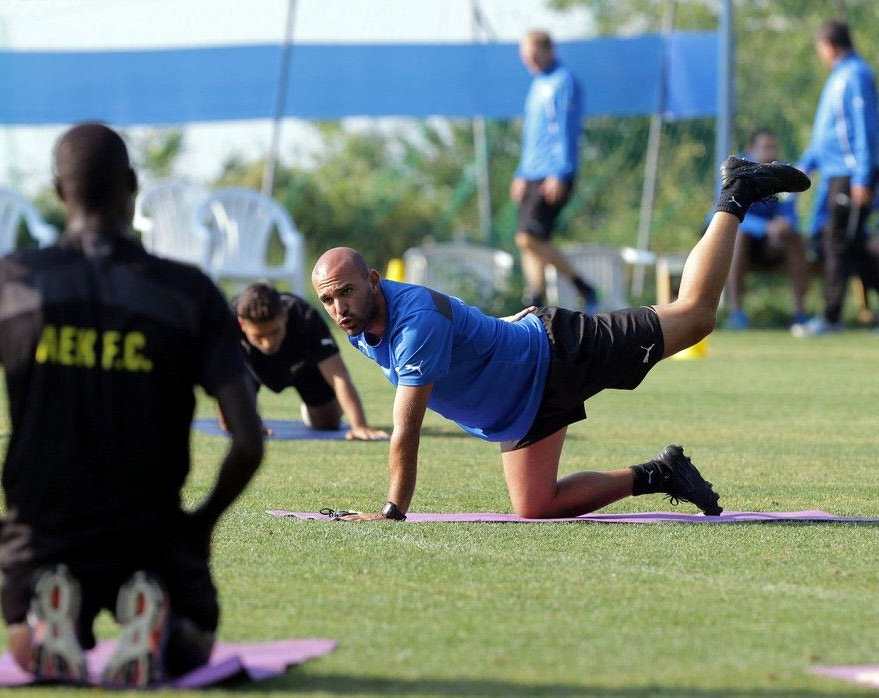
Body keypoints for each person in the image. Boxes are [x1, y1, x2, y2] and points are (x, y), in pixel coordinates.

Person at [0, 123, 264, 686]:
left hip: (42, 535)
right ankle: (159, 621)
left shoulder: (8, 281)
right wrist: (200, 525)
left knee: (27, 640)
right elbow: (247, 442)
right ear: (132, 184)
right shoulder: (188, 291)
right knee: (196, 644)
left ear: (60, 191)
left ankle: (47, 620)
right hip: (152, 532)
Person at [310, 157, 809, 521]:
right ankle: (661, 474)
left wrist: (392, 510)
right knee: (536, 506)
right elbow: (460, 325)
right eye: (328, 300)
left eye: (346, 292)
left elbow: (406, 430)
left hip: (558, 353)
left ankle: (737, 191)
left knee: (695, 316)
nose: (339, 308)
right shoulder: (361, 324)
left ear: (373, 280)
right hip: (521, 406)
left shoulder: (412, 321)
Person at [793, 19, 879, 336]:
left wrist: (863, 177)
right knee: (848, 243)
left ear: (828, 46)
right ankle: (831, 316)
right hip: (835, 175)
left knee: (838, 243)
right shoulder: (838, 77)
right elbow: (826, 133)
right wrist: (804, 165)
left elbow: (866, 128)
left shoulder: (855, 75)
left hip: (850, 174)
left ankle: (830, 317)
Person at [229, 282, 388, 441]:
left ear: (284, 315)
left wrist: (359, 426)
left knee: (328, 423)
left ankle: (312, 407)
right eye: (259, 336)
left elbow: (338, 375)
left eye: (275, 331)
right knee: (237, 423)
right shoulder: (228, 322)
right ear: (242, 324)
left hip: (302, 368)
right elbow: (222, 381)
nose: (268, 343)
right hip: (246, 369)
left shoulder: (305, 317)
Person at [511, 30, 597, 312]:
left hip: (553, 173)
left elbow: (566, 130)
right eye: (525, 57)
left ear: (549, 51)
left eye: (534, 56)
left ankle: (583, 287)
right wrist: (522, 172)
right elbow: (532, 134)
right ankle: (535, 306)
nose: (530, 62)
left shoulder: (564, 81)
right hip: (532, 173)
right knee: (530, 242)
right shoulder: (537, 84)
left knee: (528, 237)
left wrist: (560, 172)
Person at [724, 129, 810, 329]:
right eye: (765, 147)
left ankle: (800, 313)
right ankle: (736, 313)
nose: (771, 153)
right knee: (740, 236)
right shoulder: (735, 172)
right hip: (737, 241)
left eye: (774, 148)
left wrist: (785, 223)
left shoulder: (783, 173)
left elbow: (790, 210)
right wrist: (765, 227)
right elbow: (722, 213)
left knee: (795, 238)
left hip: (768, 244)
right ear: (751, 150)